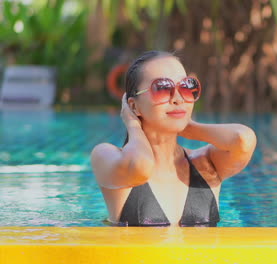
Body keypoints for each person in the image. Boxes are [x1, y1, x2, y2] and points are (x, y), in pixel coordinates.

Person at [91, 51, 257, 227]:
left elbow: (243, 140)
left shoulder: (205, 165)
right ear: (134, 106)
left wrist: (189, 127)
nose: (178, 99)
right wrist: (132, 124)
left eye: (186, 87)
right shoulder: (105, 156)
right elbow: (141, 168)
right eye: (162, 88)